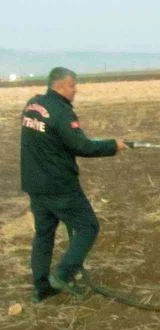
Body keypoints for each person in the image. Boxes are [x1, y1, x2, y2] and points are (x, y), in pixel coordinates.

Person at [20, 67, 128, 303]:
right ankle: (63, 274)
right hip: (59, 185)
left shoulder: (33, 105)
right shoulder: (62, 113)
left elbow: (56, 140)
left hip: (35, 183)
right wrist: (113, 146)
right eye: (72, 85)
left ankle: (41, 288)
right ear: (59, 85)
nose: (75, 90)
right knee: (88, 226)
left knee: (44, 233)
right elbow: (82, 147)